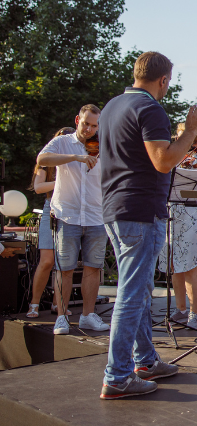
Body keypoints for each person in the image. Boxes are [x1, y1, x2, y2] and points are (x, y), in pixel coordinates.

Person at [98, 51, 197, 399]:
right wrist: (190, 132)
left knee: (140, 290)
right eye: (169, 82)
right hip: (140, 211)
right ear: (162, 80)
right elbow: (163, 161)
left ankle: (145, 360)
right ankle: (117, 377)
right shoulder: (150, 109)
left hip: (116, 208)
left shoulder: (113, 106)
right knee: (131, 295)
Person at [37, 106, 110, 335]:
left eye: (94, 125)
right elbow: (42, 158)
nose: (89, 129)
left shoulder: (104, 146)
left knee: (93, 267)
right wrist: (76, 157)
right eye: (86, 123)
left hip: (96, 215)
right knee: (64, 268)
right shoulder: (63, 142)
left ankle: (88, 315)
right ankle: (62, 317)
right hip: (67, 214)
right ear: (78, 120)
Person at [157, 124, 197, 330]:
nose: (189, 144)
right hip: (170, 210)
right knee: (173, 263)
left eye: (193, 141)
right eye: (182, 138)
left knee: (189, 264)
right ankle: (180, 309)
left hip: (191, 211)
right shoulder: (171, 154)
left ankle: (193, 313)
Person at [26, 127, 74, 318]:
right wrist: (63, 181)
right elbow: (38, 188)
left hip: (71, 211)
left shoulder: (76, 161)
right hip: (50, 209)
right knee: (46, 261)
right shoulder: (46, 162)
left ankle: (58, 304)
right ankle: (34, 304)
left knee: (64, 264)